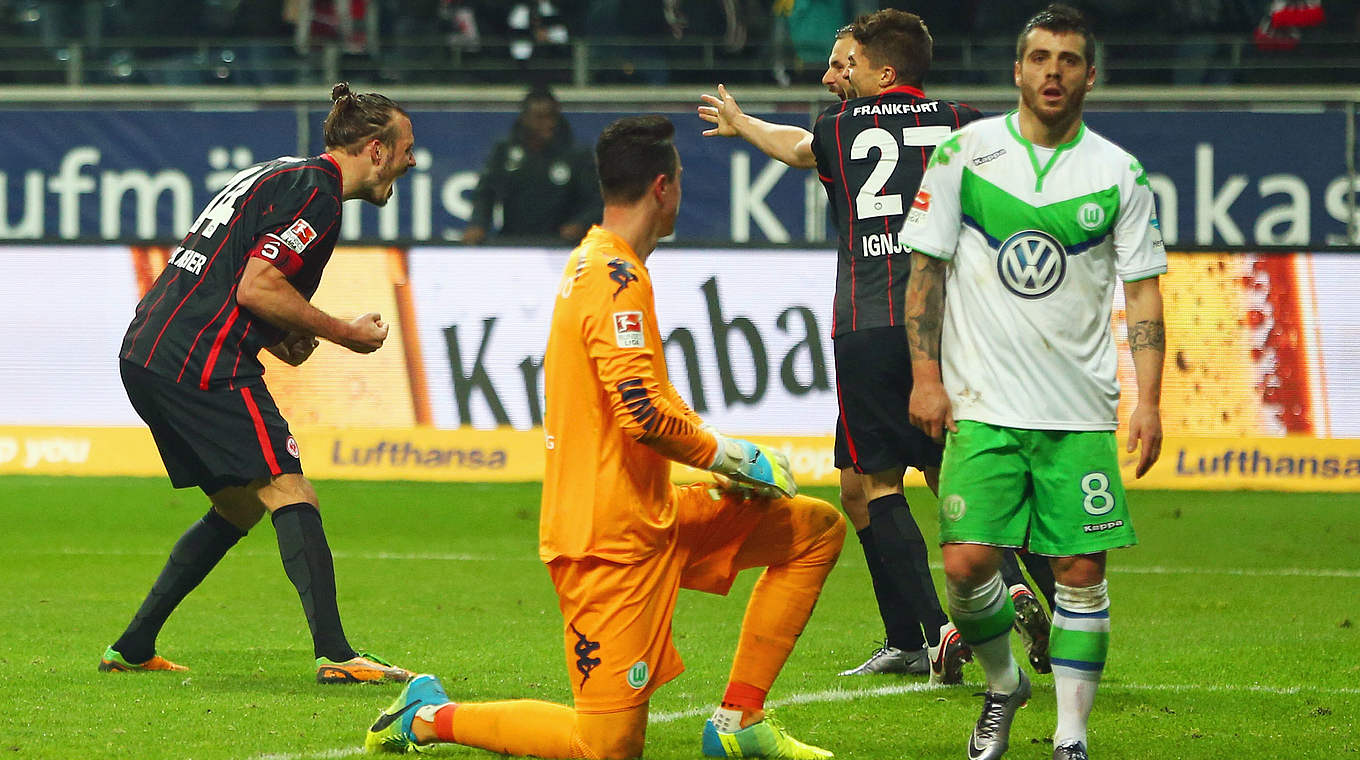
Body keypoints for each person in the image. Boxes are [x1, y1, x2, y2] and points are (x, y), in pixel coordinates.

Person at [362, 115, 846, 760]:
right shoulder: (611, 278)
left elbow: (655, 396)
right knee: (607, 747)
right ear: (664, 189)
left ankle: (740, 724)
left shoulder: (610, 267)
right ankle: (426, 715)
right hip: (605, 541)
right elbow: (641, 413)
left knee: (814, 530)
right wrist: (735, 454)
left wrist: (718, 463)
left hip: (655, 510)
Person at [699, 10, 1011, 683]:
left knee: (896, 479)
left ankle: (950, 631)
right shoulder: (963, 120)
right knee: (862, 484)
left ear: (880, 69)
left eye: (846, 65)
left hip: (871, 320)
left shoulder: (840, 130)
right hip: (946, 324)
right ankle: (913, 636)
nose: (833, 76)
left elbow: (799, 148)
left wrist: (746, 124)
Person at [901, 5, 1166, 759]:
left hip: (1078, 410)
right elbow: (926, 273)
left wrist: (1149, 400)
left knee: (1080, 571)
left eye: (1069, 60)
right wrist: (926, 377)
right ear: (1017, 70)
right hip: (981, 403)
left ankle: (1070, 738)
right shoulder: (963, 156)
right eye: (1041, 57)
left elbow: (1143, 293)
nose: (1054, 71)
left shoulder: (1118, 172)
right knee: (965, 563)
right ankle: (1003, 682)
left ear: (1091, 74)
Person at [103, 83, 418, 685]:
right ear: (376, 150)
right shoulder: (318, 195)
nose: (410, 161)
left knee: (239, 503)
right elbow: (257, 287)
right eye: (406, 149)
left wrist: (284, 335)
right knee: (289, 488)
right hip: (200, 359)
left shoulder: (279, 174)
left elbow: (231, 274)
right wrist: (341, 331)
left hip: (149, 351)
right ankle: (336, 654)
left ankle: (133, 645)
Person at [462, 85, 602, 245]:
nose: (548, 123)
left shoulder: (576, 154)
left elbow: (596, 201)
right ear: (525, 118)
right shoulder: (505, 151)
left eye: (552, 116)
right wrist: (478, 224)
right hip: (513, 241)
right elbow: (486, 193)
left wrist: (580, 224)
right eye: (540, 117)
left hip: (561, 245)